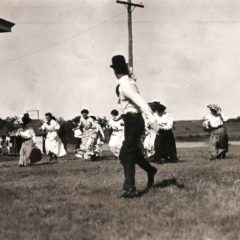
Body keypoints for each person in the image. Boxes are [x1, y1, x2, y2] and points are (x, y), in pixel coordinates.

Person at [110, 55, 158, 198]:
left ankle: (130, 188)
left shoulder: (126, 85)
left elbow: (141, 102)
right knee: (131, 153)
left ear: (115, 71)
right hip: (130, 122)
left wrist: (153, 120)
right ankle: (150, 170)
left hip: (134, 121)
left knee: (126, 154)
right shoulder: (127, 82)